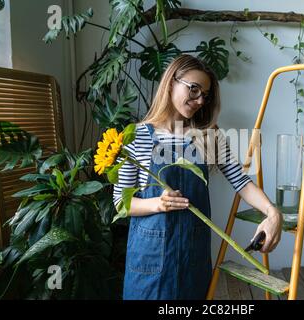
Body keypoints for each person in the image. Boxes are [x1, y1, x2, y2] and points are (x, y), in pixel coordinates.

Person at [113, 54, 283, 300]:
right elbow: (121, 201)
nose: (199, 100)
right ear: (171, 81)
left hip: (194, 258)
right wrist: (157, 204)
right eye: (194, 89)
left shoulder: (207, 136)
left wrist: (272, 212)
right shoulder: (134, 136)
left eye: (205, 95)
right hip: (149, 261)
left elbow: (241, 182)